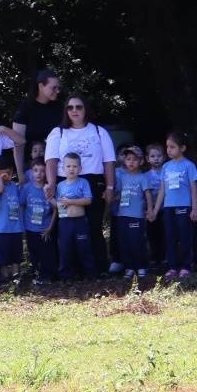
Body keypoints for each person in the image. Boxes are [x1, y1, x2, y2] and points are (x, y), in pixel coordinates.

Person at [44, 95, 118, 274]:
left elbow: (109, 162)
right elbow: (51, 161)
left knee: (93, 226)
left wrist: (109, 187)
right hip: (65, 183)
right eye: (70, 107)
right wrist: (52, 183)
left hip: (92, 182)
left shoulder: (99, 132)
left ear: (86, 109)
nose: (74, 111)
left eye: (79, 107)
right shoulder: (58, 132)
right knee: (66, 228)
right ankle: (67, 270)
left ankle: (97, 269)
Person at [158, 132, 197, 278]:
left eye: (172, 147)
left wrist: (195, 208)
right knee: (170, 236)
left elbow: (193, 188)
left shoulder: (189, 166)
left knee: (184, 236)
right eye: (167, 147)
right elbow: (162, 190)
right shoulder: (165, 167)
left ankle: (186, 266)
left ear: (182, 148)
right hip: (168, 207)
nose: (169, 150)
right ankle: (172, 267)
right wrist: (155, 209)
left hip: (184, 206)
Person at [112, 146, 154, 278]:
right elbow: (119, 195)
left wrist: (150, 210)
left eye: (135, 159)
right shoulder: (122, 178)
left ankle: (141, 266)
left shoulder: (143, 178)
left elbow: (147, 194)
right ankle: (129, 267)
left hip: (137, 216)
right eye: (128, 159)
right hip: (122, 215)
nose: (131, 162)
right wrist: (110, 197)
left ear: (141, 162)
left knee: (137, 241)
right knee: (124, 242)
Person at [11, 69, 63, 177]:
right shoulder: (25, 108)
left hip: (56, 166)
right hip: (30, 168)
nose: (57, 91)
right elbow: (18, 144)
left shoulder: (60, 108)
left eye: (58, 88)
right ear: (40, 86)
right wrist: (20, 175)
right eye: (53, 87)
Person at [54, 153, 97, 280]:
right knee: (65, 249)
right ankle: (65, 275)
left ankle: (90, 274)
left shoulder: (83, 182)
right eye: (68, 166)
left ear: (80, 168)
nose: (71, 169)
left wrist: (71, 201)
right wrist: (48, 197)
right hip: (65, 222)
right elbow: (58, 204)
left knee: (84, 248)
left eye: (74, 166)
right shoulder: (60, 185)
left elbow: (88, 200)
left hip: (80, 222)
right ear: (63, 168)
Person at [0, 156, 25, 281]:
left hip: (16, 227)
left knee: (16, 253)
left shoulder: (14, 187)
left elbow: (21, 203)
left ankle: (16, 274)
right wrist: (0, 179)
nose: (7, 175)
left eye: (9, 172)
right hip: (2, 228)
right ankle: (4, 276)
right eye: (3, 173)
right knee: (3, 255)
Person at [23, 161, 56, 282]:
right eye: (36, 170)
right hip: (30, 228)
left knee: (47, 254)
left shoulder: (49, 189)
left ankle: (47, 276)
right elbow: (22, 206)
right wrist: (22, 226)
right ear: (31, 172)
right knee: (33, 253)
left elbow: (56, 209)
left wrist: (50, 228)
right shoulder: (26, 188)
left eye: (42, 171)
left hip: (45, 229)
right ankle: (36, 274)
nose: (39, 174)